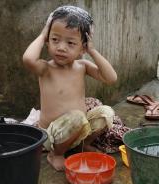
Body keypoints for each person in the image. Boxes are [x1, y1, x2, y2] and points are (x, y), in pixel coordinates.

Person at [23, 6, 117, 171]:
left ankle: (82, 145)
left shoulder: (82, 66)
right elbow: (28, 59)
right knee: (77, 117)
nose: (61, 47)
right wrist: (43, 34)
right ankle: (56, 154)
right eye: (55, 39)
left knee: (106, 112)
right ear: (47, 41)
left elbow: (111, 78)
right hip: (53, 135)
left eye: (70, 43)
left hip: (79, 128)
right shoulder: (45, 69)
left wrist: (93, 51)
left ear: (82, 48)